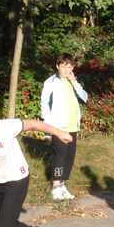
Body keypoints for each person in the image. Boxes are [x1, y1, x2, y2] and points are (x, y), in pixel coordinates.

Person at [41, 53, 89, 200]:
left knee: (69, 157)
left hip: (72, 125)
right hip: (58, 126)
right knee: (60, 155)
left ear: (73, 67)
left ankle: (62, 186)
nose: (66, 70)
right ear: (57, 66)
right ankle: (55, 187)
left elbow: (84, 98)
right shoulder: (51, 82)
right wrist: (47, 127)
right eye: (63, 67)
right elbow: (45, 104)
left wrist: (74, 82)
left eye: (69, 67)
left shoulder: (73, 82)